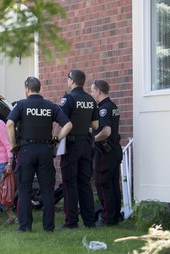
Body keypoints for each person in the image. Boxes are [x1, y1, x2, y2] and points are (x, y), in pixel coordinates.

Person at [6, 76, 73, 232]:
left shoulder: (22, 105)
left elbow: (9, 124)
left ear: (27, 89)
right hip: (45, 151)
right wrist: (56, 139)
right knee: (47, 190)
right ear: (39, 88)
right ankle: (49, 227)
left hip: (26, 150)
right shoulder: (50, 106)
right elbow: (68, 125)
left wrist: (12, 144)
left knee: (24, 190)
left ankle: (25, 227)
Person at [58, 69, 98, 229]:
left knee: (69, 183)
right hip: (86, 145)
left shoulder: (68, 99)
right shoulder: (90, 99)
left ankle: (71, 221)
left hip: (71, 145)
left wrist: (56, 139)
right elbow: (95, 125)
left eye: (68, 78)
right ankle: (89, 221)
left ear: (72, 80)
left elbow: (62, 122)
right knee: (85, 183)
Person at [90, 80, 123, 226]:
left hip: (106, 152)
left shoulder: (103, 108)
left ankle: (107, 217)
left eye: (92, 91)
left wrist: (93, 139)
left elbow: (106, 131)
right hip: (115, 150)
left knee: (102, 183)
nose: (92, 94)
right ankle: (115, 216)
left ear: (99, 91)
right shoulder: (113, 106)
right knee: (113, 184)